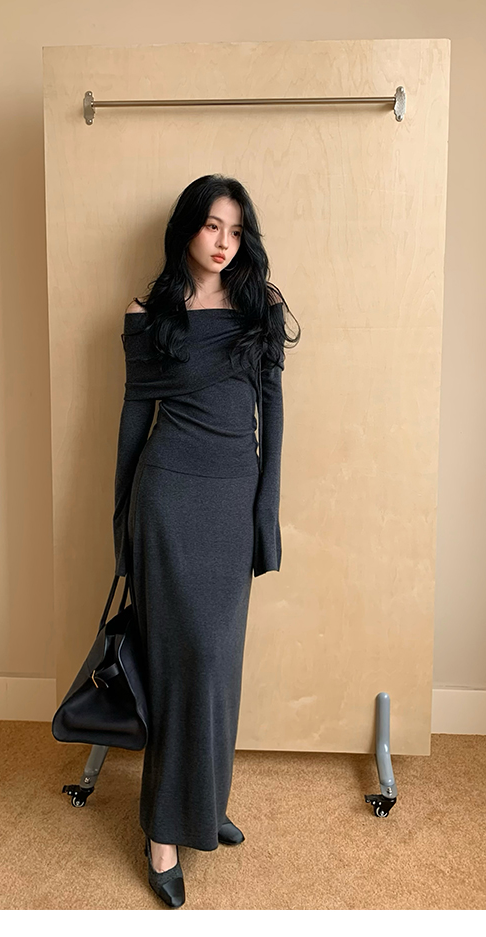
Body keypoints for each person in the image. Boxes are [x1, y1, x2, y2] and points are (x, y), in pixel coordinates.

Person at [112, 174, 300, 907]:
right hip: (166, 500)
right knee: (179, 666)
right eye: (212, 226)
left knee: (217, 665)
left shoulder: (261, 307)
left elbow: (272, 419)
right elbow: (133, 423)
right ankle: (164, 833)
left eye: (236, 230)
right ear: (187, 228)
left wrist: (265, 515)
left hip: (231, 503)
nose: (224, 242)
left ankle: (205, 803)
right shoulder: (148, 315)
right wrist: (122, 527)